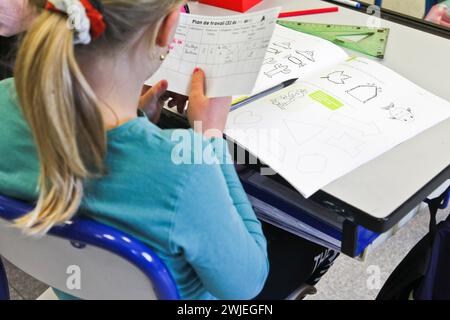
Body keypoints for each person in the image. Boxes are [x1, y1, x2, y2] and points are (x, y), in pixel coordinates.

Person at [0, 0, 338, 300]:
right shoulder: (183, 170)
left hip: (73, 287)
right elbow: (246, 286)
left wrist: (134, 116)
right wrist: (209, 138)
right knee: (318, 239)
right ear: (167, 29)